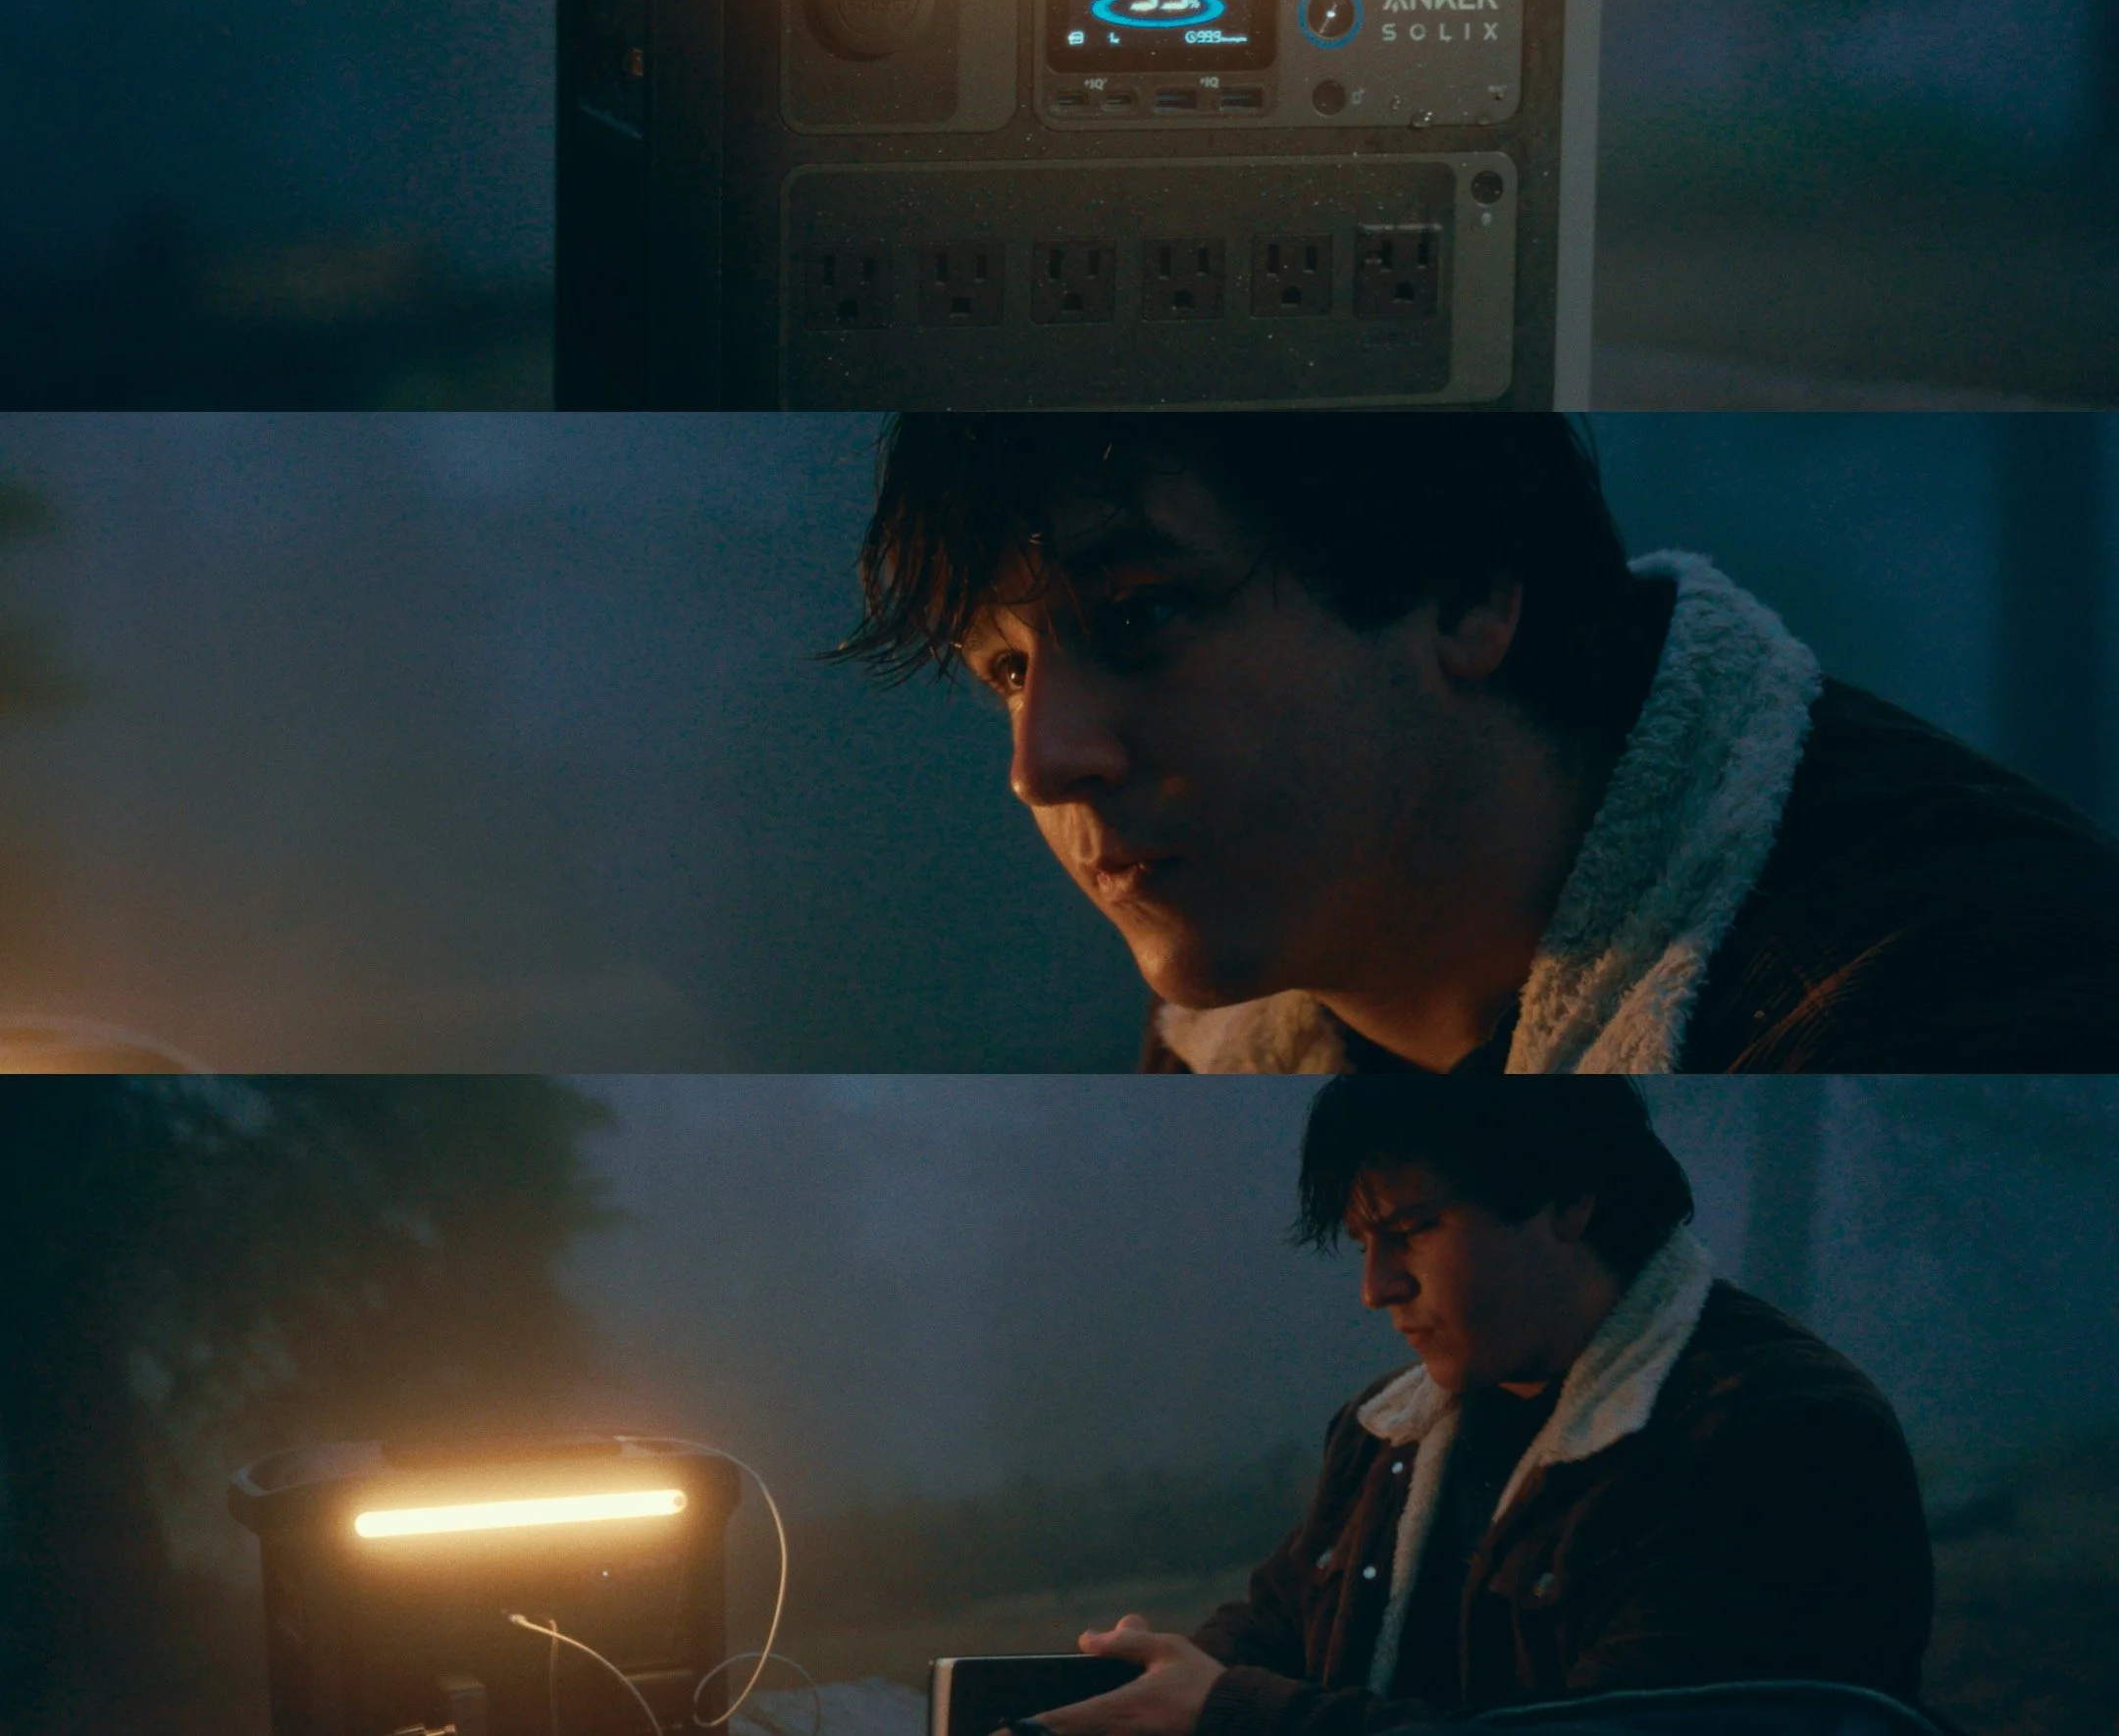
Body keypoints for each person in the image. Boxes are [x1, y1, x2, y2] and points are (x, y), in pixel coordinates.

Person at [844, 411, 2119, 1072]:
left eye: (1141, 615)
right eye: (1004, 669)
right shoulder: (1255, 1008)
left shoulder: (1961, 987)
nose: (1040, 760)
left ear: (1464, 591)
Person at [1027, 1077, 1936, 1733]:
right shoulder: (1387, 1430)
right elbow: (1281, 1621)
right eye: (1362, 1245)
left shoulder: (1775, 1430)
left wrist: (1233, 1713)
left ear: (1568, 1200)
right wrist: (1160, 1678)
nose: (1376, 1288)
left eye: (1412, 1232)